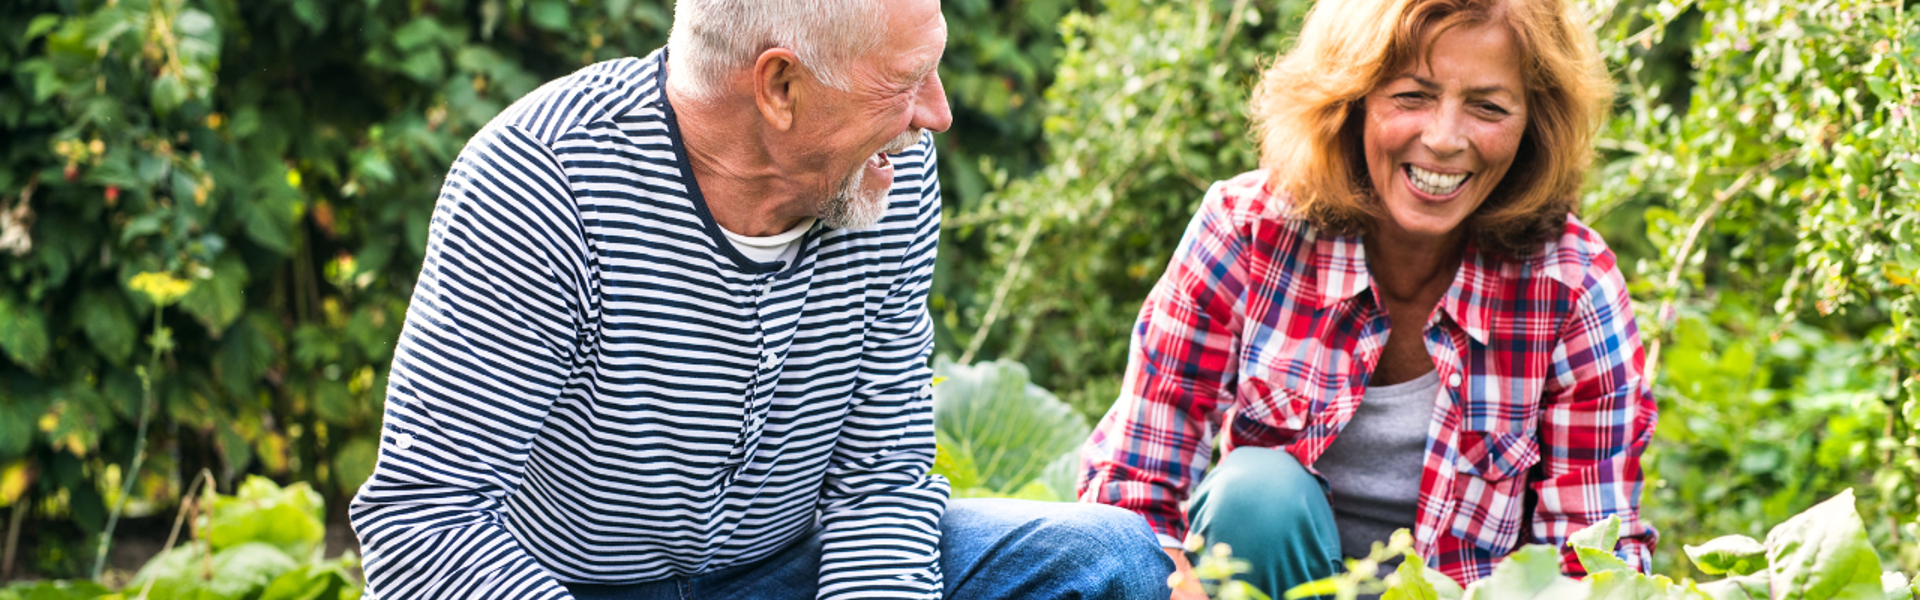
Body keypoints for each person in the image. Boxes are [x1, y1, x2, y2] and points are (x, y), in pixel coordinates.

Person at [348, 1, 1173, 598]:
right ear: (779, 87)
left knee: (1115, 562)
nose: (938, 114)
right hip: (567, 584)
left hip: (784, 575)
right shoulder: (540, 181)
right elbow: (426, 521)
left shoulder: (887, 175)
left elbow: (879, 486)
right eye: (907, 80)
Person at [1075, 0, 1654, 598]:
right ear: (1351, 99)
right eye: (1412, 96)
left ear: (1535, 124)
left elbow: (1591, 558)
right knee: (1257, 493)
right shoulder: (1247, 230)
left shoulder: (1573, 287)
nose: (1445, 138)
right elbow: (1136, 484)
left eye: (1487, 107)